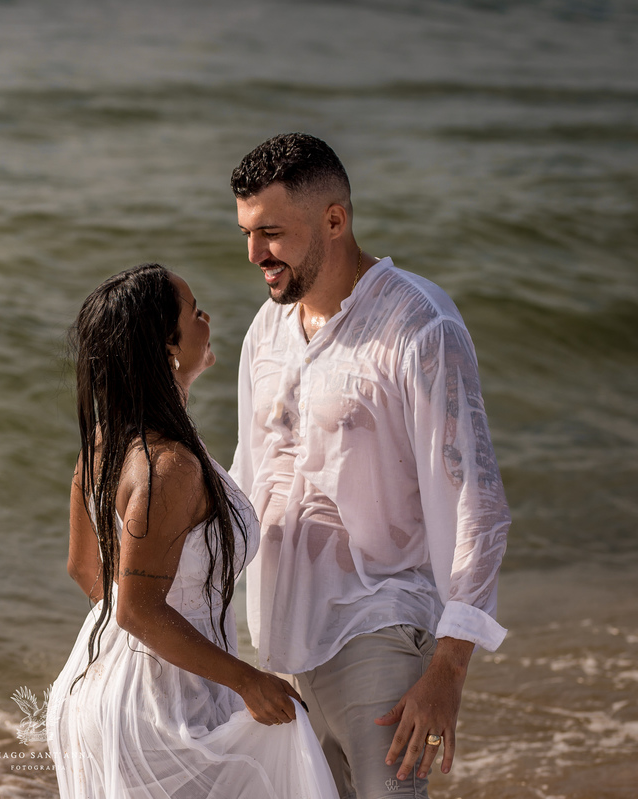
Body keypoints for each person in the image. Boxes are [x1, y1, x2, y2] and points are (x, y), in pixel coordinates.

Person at [228, 133, 510, 798]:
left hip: (378, 627)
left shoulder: (419, 325)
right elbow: (246, 478)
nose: (254, 254)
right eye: (246, 232)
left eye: (271, 232)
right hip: (281, 647)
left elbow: (477, 500)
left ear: (334, 219)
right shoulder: (264, 333)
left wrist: (447, 668)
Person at [46, 263, 339, 799]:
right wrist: (247, 681)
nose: (206, 319)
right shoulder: (169, 466)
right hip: (160, 714)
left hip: (101, 688)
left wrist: (131, 650)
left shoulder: (104, 446)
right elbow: (139, 608)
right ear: (167, 347)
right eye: (193, 310)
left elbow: (86, 571)